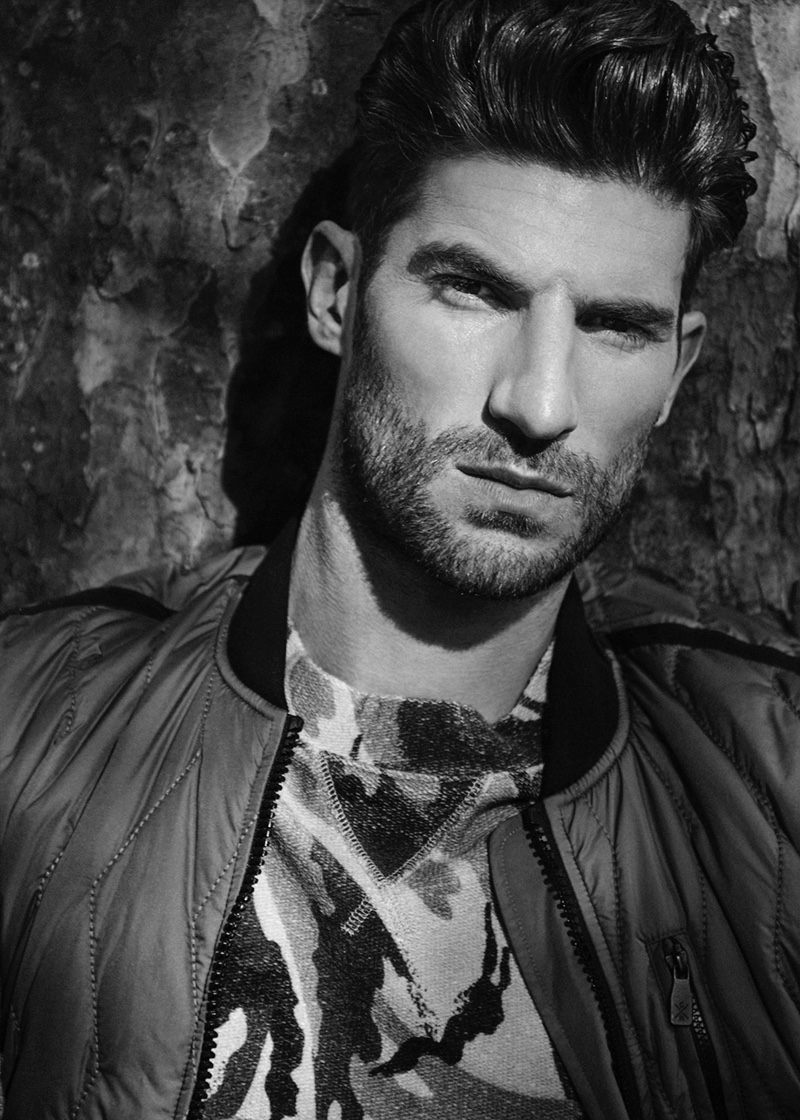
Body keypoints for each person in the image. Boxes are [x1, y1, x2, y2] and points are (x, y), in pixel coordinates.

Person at [1, 0, 797, 1117]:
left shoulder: (769, 781)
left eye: (615, 325)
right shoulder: (27, 736)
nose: (537, 404)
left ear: (677, 370)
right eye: (474, 290)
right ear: (338, 292)